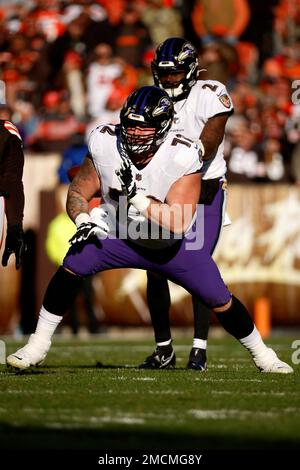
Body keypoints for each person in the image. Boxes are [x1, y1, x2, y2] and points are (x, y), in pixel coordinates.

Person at [7, 86, 293, 375]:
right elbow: (78, 191)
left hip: (169, 243)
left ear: (163, 127)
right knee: (73, 264)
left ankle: (264, 356)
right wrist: (83, 219)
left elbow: (179, 221)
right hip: (118, 232)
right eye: (129, 125)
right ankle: (37, 344)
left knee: (219, 299)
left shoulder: (182, 154)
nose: (134, 133)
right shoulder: (105, 141)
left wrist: (139, 199)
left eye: (143, 128)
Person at [140, 37, 234, 371]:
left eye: (174, 73)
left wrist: (181, 157)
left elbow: (210, 141)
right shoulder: (150, 98)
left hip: (204, 188)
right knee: (153, 267)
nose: (167, 80)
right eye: (163, 74)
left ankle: (199, 349)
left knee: (197, 266)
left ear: (191, 70)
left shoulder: (210, 94)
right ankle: (164, 350)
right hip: (163, 191)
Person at [0, 108, 26, 270]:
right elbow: (11, 180)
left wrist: (15, 227)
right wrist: (15, 227)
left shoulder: (5, 132)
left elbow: (11, 180)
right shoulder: (6, 131)